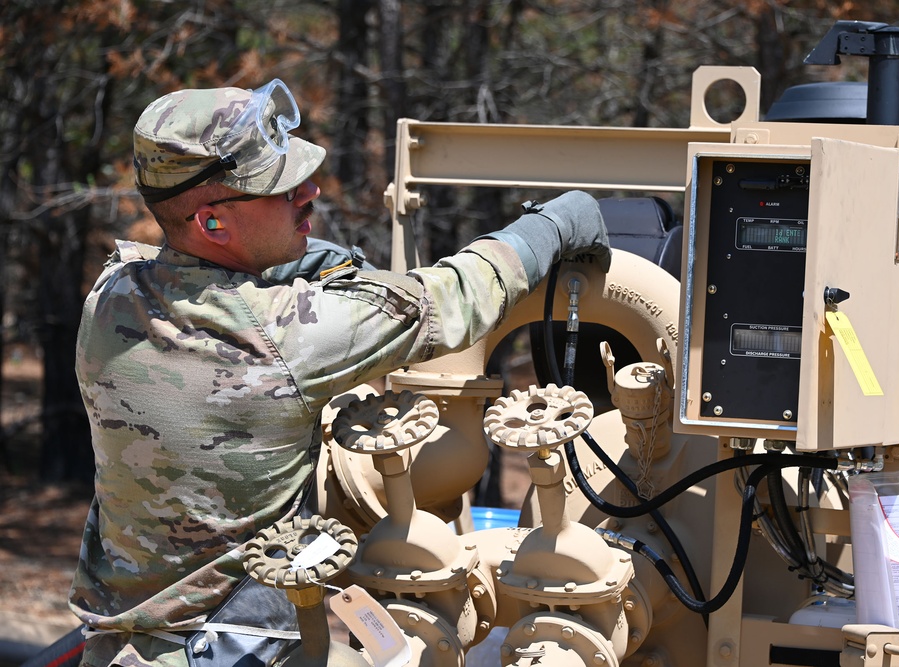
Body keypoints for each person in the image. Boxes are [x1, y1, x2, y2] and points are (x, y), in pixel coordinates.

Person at [69, 78, 610, 667]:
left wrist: (293, 253)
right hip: (233, 653)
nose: (310, 192)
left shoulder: (110, 296)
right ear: (212, 223)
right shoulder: (286, 334)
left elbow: (192, 271)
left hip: (119, 649)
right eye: (282, 191)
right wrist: (557, 224)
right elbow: (455, 298)